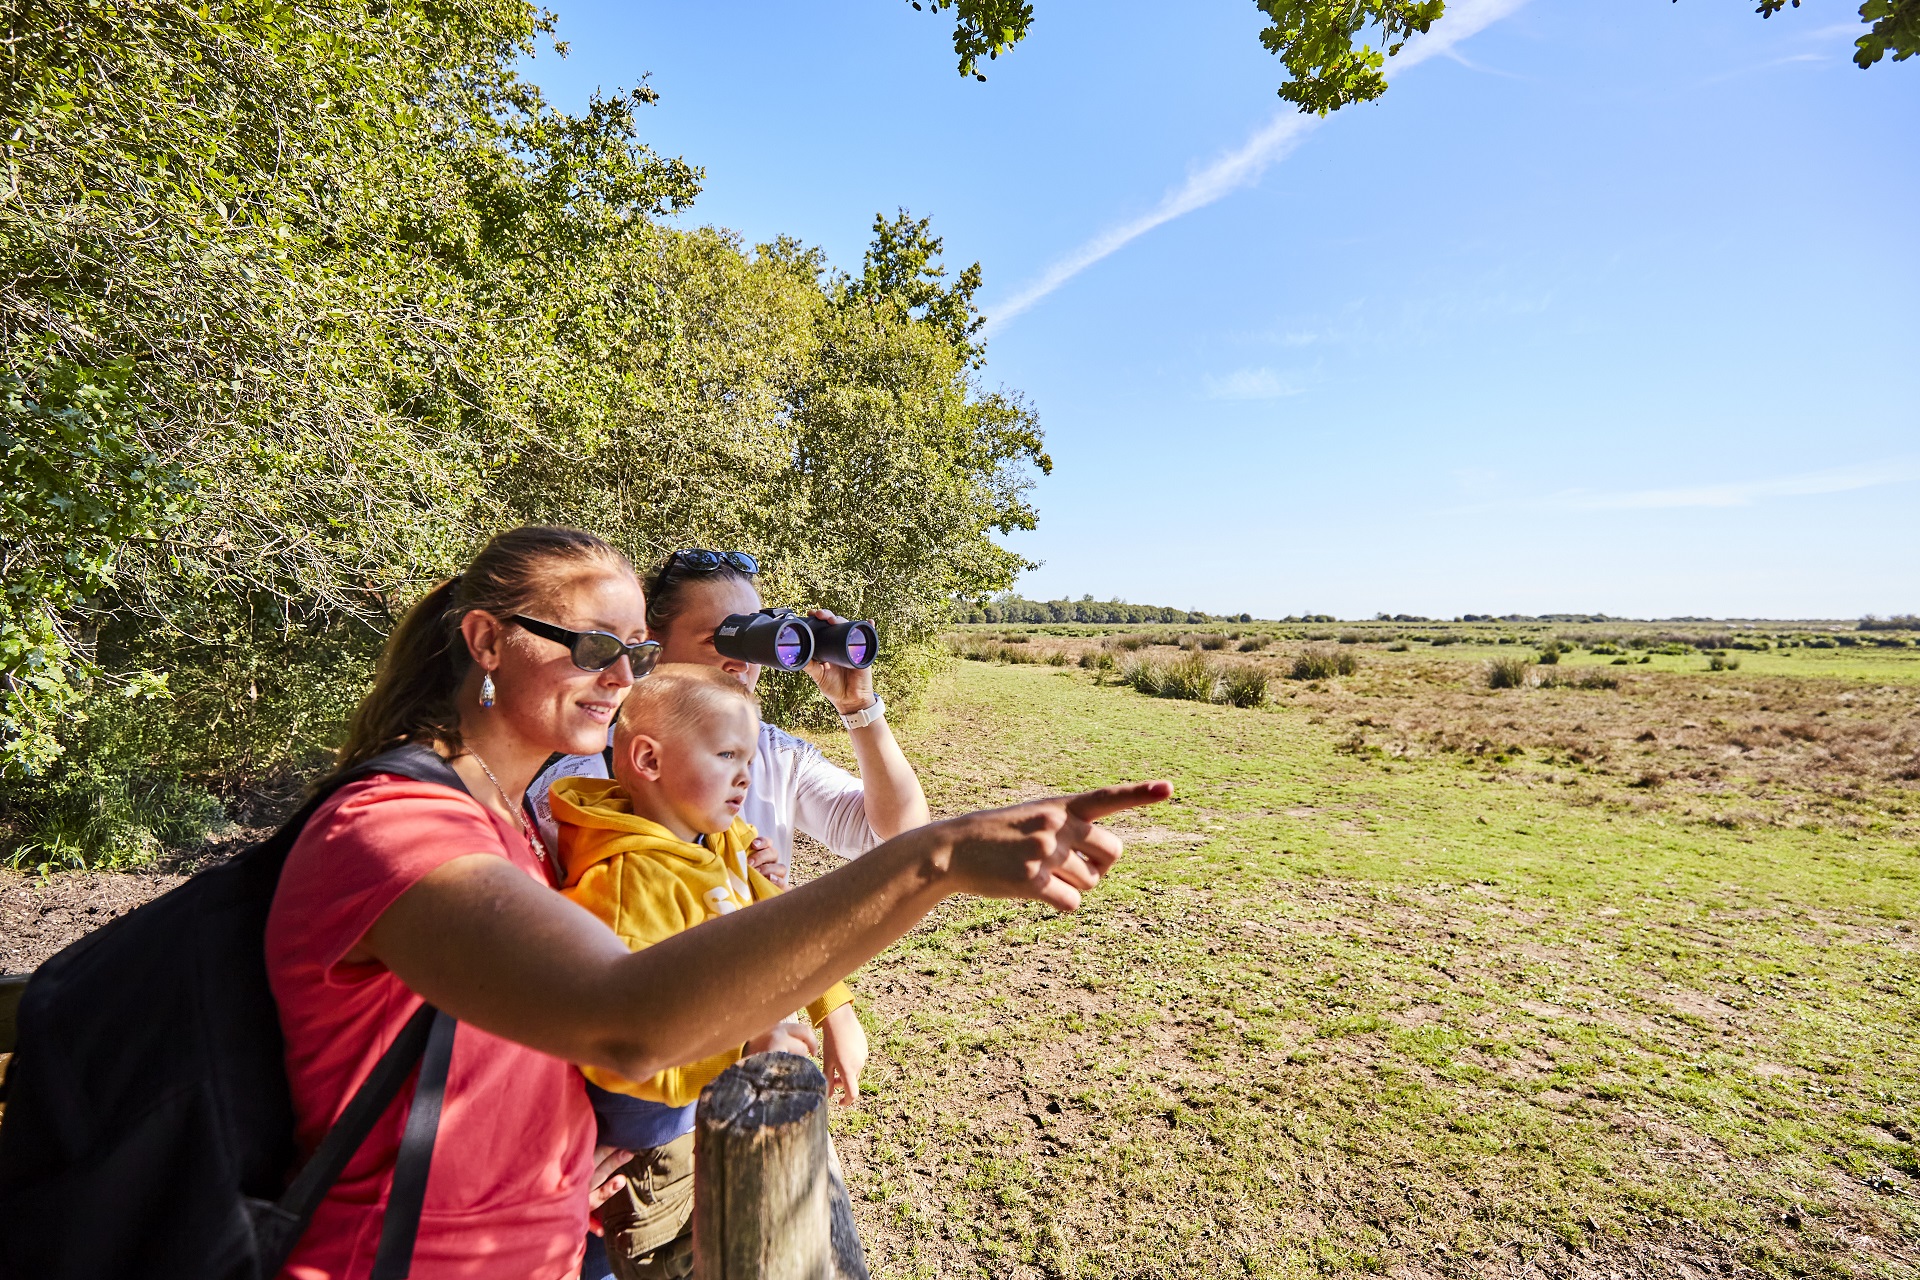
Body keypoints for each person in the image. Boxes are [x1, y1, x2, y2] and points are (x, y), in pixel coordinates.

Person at [263, 525, 1168, 1280]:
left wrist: (572, 1143)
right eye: (593, 648)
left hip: (549, 1236)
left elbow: (518, 1049)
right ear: (488, 644)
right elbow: (620, 1020)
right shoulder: (398, 826)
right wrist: (929, 864)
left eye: (635, 655)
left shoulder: (520, 820)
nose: (620, 678)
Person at [550, 664, 864, 1279]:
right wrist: (747, 1038)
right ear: (648, 759)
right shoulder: (624, 885)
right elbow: (629, 1046)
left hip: (721, 1103)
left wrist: (832, 1001)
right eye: (726, 754)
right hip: (660, 1138)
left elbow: (778, 923)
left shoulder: (716, 838)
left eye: (748, 756)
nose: (746, 774)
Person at [528, 549, 929, 889]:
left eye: (756, 639)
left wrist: (859, 706)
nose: (743, 662)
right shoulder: (581, 782)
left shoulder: (774, 754)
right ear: (652, 645)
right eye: (720, 639)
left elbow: (901, 836)